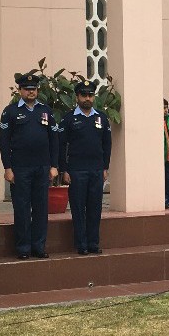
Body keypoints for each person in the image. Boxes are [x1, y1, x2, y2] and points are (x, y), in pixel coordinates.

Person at [0, 72, 59, 259]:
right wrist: (7, 168)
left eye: (33, 89)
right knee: (22, 209)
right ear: (20, 90)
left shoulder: (46, 111)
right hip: (20, 169)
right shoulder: (10, 112)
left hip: (42, 167)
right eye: (27, 89)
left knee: (41, 208)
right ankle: (23, 248)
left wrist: (54, 165)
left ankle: (39, 246)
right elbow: (4, 141)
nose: (30, 92)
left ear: (37, 90)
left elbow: (54, 140)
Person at [60, 80, 113, 254]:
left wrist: (105, 167)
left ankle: (93, 243)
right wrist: (64, 169)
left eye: (90, 95)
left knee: (95, 208)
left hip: (97, 170)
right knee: (78, 208)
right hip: (76, 170)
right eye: (84, 95)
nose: (87, 98)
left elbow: (107, 144)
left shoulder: (102, 118)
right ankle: (81, 244)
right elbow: (62, 145)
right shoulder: (69, 119)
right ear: (77, 97)